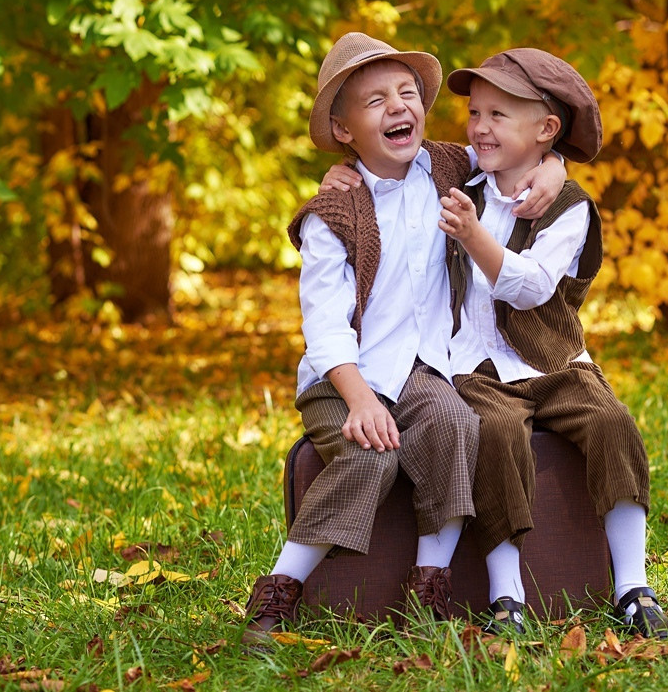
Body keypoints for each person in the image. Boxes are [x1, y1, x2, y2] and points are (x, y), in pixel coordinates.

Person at [241, 33, 565, 646]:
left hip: (422, 370)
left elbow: (519, 149)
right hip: (345, 375)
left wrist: (555, 167)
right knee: (372, 454)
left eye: (408, 94)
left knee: (454, 427)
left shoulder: (447, 167)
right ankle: (279, 591)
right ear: (343, 131)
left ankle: (430, 585)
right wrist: (359, 397)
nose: (398, 107)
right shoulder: (334, 213)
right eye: (375, 101)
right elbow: (326, 323)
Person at [437, 48, 668, 639]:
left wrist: (480, 230)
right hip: (474, 365)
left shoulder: (570, 207)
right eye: (475, 113)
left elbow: (528, 287)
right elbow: (393, 158)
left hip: (553, 360)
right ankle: (507, 595)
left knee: (612, 423)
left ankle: (632, 585)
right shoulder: (457, 175)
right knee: (494, 434)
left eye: (499, 114)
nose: (480, 127)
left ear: (547, 130)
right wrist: (345, 171)